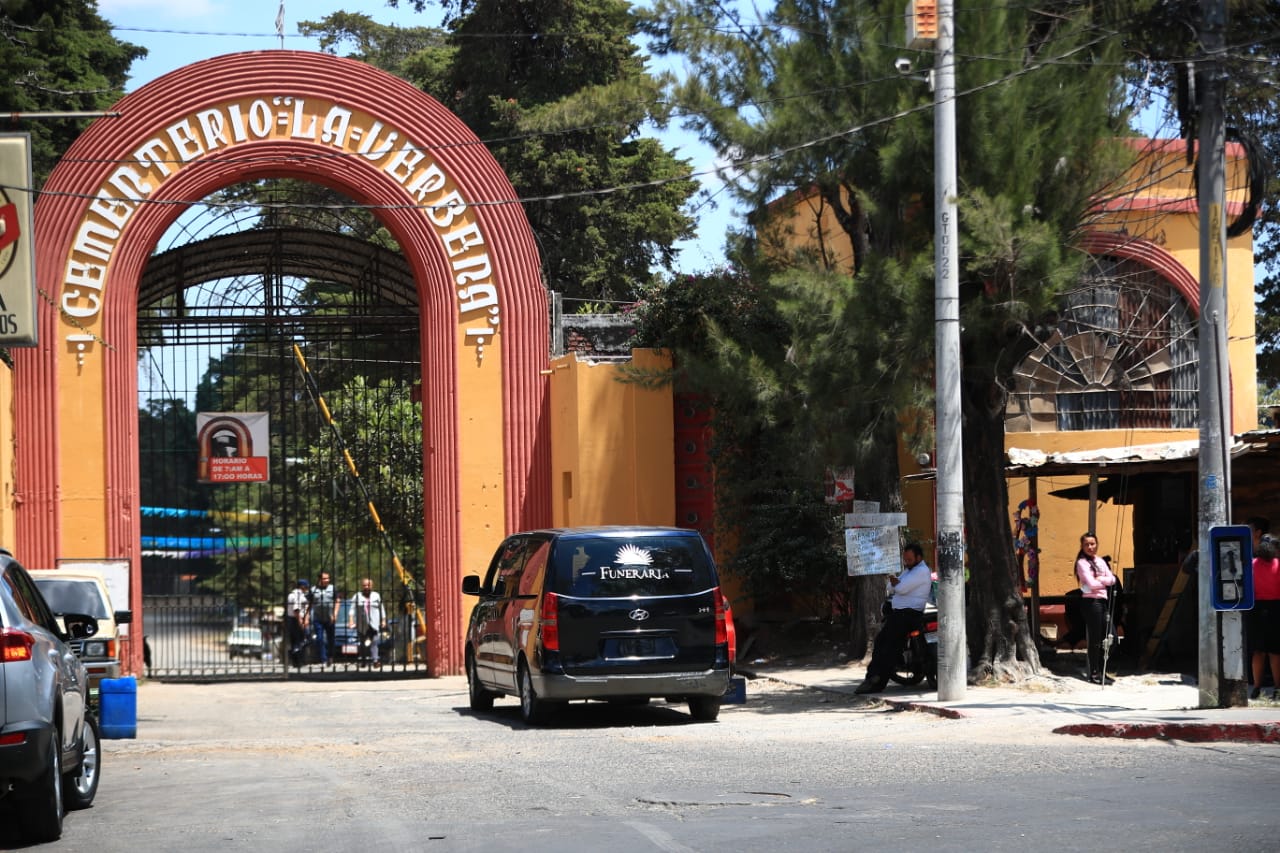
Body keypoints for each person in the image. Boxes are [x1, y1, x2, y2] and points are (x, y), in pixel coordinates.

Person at [855, 543, 933, 695]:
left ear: (919, 557)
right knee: (881, 642)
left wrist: (896, 583)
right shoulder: (909, 571)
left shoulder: (921, 571)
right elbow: (890, 586)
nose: (907, 562)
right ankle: (873, 677)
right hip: (899, 614)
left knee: (888, 646)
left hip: (908, 614)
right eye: (905, 559)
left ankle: (876, 680)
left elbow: (900, 588)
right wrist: (895, 582)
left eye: (910, 559)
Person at [1075, 532, 1117, 684]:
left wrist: (1101, 580)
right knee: (1096, 639)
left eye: (1092, 544)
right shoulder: (1082, 563)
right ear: (1082, 546)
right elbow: (1091, 585)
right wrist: (1103, 581)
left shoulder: (1100, 561)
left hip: (1103, 601)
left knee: (1112, 637)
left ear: (1097, 544)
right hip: (1091, 603)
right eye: (1086, 544)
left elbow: (1112, 579)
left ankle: (1102, 669)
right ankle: (1095, 673)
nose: (1090, 547)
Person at [1249, 533, 1280, 700]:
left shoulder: (1251, 565)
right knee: (1275, 652)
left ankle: (1256, 687)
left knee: (1258, 651)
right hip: (1276, 608)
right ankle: (1277, 688)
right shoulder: (1279, 565)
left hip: (1256, 609)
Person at [352, 577, 386, 669]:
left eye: (368, 585)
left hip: (374, 623)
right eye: (364, 585)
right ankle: (363, 661)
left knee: (374, 641)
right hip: (362, 624)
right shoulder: (357, 596)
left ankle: (375, 660)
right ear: (362, 586)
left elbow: (381, 609)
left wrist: (383, 620)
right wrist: (351, 621)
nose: (366, 587)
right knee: (363, 643)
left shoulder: (376, 596)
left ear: (372, 586)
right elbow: (352, 610)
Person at [310, 571, 339, 666]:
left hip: (329, 618)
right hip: (318, 618)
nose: (327, 580)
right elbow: (308, 603)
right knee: (320, 639)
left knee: (331, 639)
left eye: (328, 578)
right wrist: (306, 617)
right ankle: (324, 659)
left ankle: (330, 656)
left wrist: (335, 614)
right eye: (325, 578)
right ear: (319, 579)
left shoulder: (332, 588)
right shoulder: (313, 590)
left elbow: (337, 601)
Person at [286, 578, 311, 667]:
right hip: (297, 619)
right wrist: (301, 621)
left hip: (292, 619)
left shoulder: (291, 594)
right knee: (303, 639)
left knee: (295, 641)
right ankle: (300, 660)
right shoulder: (297, 595)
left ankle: (295, 662)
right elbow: (296, 609)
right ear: (302, 587)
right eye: (306, 587)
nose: (307, 588)